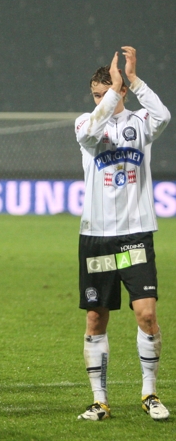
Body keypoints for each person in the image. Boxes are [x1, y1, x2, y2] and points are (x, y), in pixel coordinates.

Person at [75, 47, 171, 421]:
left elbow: (164, 115)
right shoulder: (85, 123)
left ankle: (149, 393)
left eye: (107, 93)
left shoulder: (141, 122)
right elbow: (91, 135)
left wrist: (133, 80)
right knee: (96, 319)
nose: (101, 100)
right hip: (97, 237)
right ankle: (99, 400)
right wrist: (112, 94)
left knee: (146, 314)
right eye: (96, 95)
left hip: (135, 234)